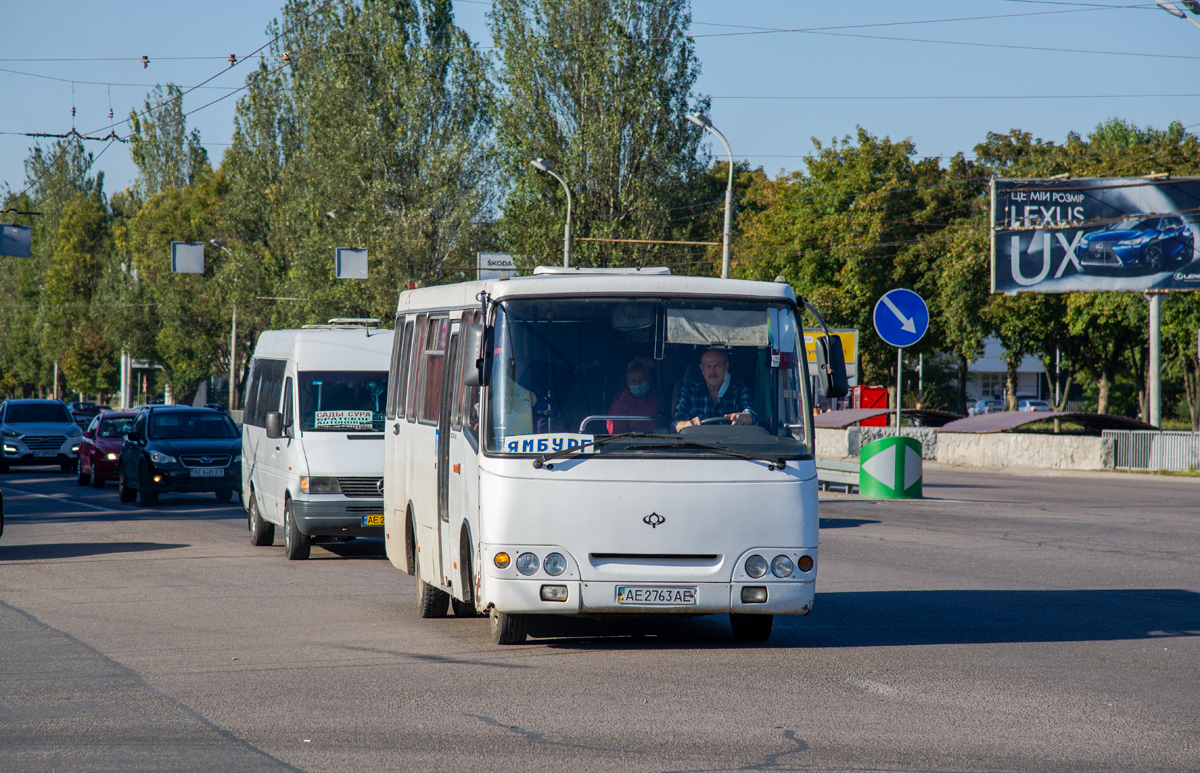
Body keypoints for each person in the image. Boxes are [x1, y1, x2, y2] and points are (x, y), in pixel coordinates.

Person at [674, 349, 756, 431]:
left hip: (731, 442)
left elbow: (751, 415)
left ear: (726, 367)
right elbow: (676, 423)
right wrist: (687, 424)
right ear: (702, 369)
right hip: (698, 442)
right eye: (708, 366)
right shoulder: (689, 392)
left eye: (717, 366)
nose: (712, 371)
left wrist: (742, 417)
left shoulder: (739, 390)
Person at [606, 363, 657, 434]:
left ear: (649, 379)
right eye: (633, 381)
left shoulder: (660, 399)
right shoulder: (621, 403)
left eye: (642, 379)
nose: (638, 383)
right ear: (628, 384)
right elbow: (618, 433)